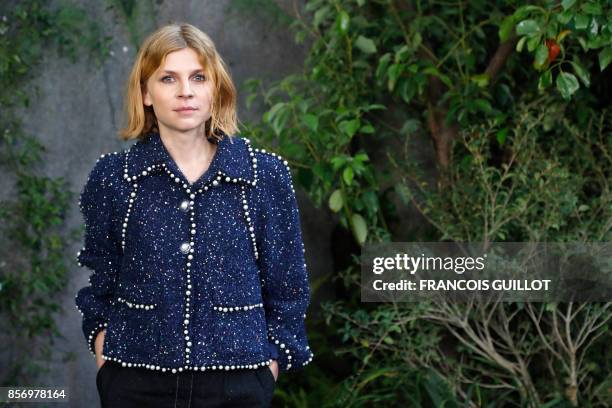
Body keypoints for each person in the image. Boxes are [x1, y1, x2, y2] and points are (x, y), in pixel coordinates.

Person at [74, 22, 313, 407]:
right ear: (146, 93)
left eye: (198, 77)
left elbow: (289, 285)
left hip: (239, 381)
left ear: (215, 88)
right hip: (135, 381)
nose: (186, 91)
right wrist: (102, 346)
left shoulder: (263, 175)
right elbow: (101, 278)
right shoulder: (115, 178)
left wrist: (270, 365)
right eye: (168, 78)